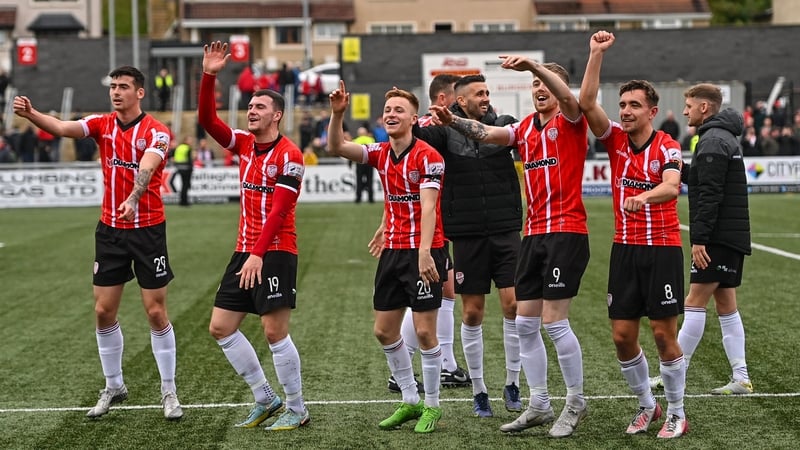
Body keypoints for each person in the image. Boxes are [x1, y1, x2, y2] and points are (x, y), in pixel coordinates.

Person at [430, 58, 589, 438]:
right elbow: (485, 134)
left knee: (554, 322)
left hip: (565, 232)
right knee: (524, 322)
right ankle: (539, 403)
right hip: (533, 234)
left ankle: (576, 400)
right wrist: (451, 121)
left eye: (545, 85)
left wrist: (535, 65)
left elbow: (570, 97)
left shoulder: (569, 120)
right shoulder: (523, 130)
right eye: (535, 85)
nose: (539, 90)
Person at [13, 66, 182, 420]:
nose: (116, 92)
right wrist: (31, 114)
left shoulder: (157, 132)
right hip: (110, 231)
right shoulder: (102, 124)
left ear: (140, 93)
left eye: (123, 87)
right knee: (104, 311)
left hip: (147, 230)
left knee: (155, 312)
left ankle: (169, 390)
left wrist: (135, 197)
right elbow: (62, 128)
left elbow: (148, 166)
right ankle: (114, 384)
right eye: (113, 87)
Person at [578, 30, 688, 439]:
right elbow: (587, 103)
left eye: (633, 105)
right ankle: (648, 405)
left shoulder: (667, 146)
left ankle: (677, 411)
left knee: (662, 334)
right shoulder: (615, 142)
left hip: (661, 250)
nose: (625, 111)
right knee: (623, 337)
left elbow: (673, 185)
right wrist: (595, 54)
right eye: (622, 104)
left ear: (652, 111)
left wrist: (644, 197)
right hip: (624, 249)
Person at [199, 40, 310, 431]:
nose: (251, 110)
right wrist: (210, 75)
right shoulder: (244, 144)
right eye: (250, 105)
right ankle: (266, 397)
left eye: (260, 106)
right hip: (245, 251)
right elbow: (208, 121)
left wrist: (258, 254)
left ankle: (297, 408)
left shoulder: (290, 155)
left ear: (277, 115)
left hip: (275, 251)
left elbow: (279, 213)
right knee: (220, 326)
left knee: (273, 330)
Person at [328, 81, 447, 433]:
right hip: (392, 252)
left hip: (424, 252)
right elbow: (336, 146)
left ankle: (433, 406)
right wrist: (338, 114)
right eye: (388, 110)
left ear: (414, 118)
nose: (391, 114)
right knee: (383, 331)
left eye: (399, 110)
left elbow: (429, 208)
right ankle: (410, 400)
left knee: (425, 332)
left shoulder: (429, 157)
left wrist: (425, 252)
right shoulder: (380, 152)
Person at [415, 73, 523, 418]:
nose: (486, 97)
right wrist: (421, 114)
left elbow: (518, 139)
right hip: (467, 235)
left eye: (487, 92)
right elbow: (413, 134)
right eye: (479, 93)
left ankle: (512, 384)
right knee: (473, 312)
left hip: (506, 231)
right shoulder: (442, 133)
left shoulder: (504, 125)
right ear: (460, 101)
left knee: (514, 307)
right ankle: (479, 389)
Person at [650, 84, 753, 396]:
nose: (685, 111)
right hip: (731, 235)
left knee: (694, 302)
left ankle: (674, 370)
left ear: (704, 108)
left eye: (689, 105)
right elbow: (709, 180)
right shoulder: (722, 137)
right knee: (726, 305)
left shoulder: (711, 140)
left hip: (719, 237)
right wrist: (681, 170)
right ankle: (741, 377)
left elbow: (709, 196)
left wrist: (700, 240)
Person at [383, 73, 471, 395]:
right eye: (460, 96)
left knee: (444, 292)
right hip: (430, 227)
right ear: (445, 100)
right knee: (433, 295)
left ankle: (444, 362)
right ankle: (431, 364)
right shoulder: (431, 131)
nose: (464, 102)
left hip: (437, 222)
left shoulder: (440, 128)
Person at [351, 126, 376, 203]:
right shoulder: (371, 139)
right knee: (370, 180)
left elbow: (352, 153)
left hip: (359, 163)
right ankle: (370, 198)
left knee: (359, 181)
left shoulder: (355, 140)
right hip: (369, 163)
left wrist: (350, 162)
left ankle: (358, 198)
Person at [171, 135, 194, 206]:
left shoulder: (179, 147)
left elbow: (174, 157)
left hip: (179, 168)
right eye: (190, 140)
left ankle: (181, 201)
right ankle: (184, 201)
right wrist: (191, 168)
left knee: (183, 185)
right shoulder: (188, 148)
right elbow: (189, 159)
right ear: (186, 141)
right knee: (185, 185)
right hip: (186, 168)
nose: (191, 142)